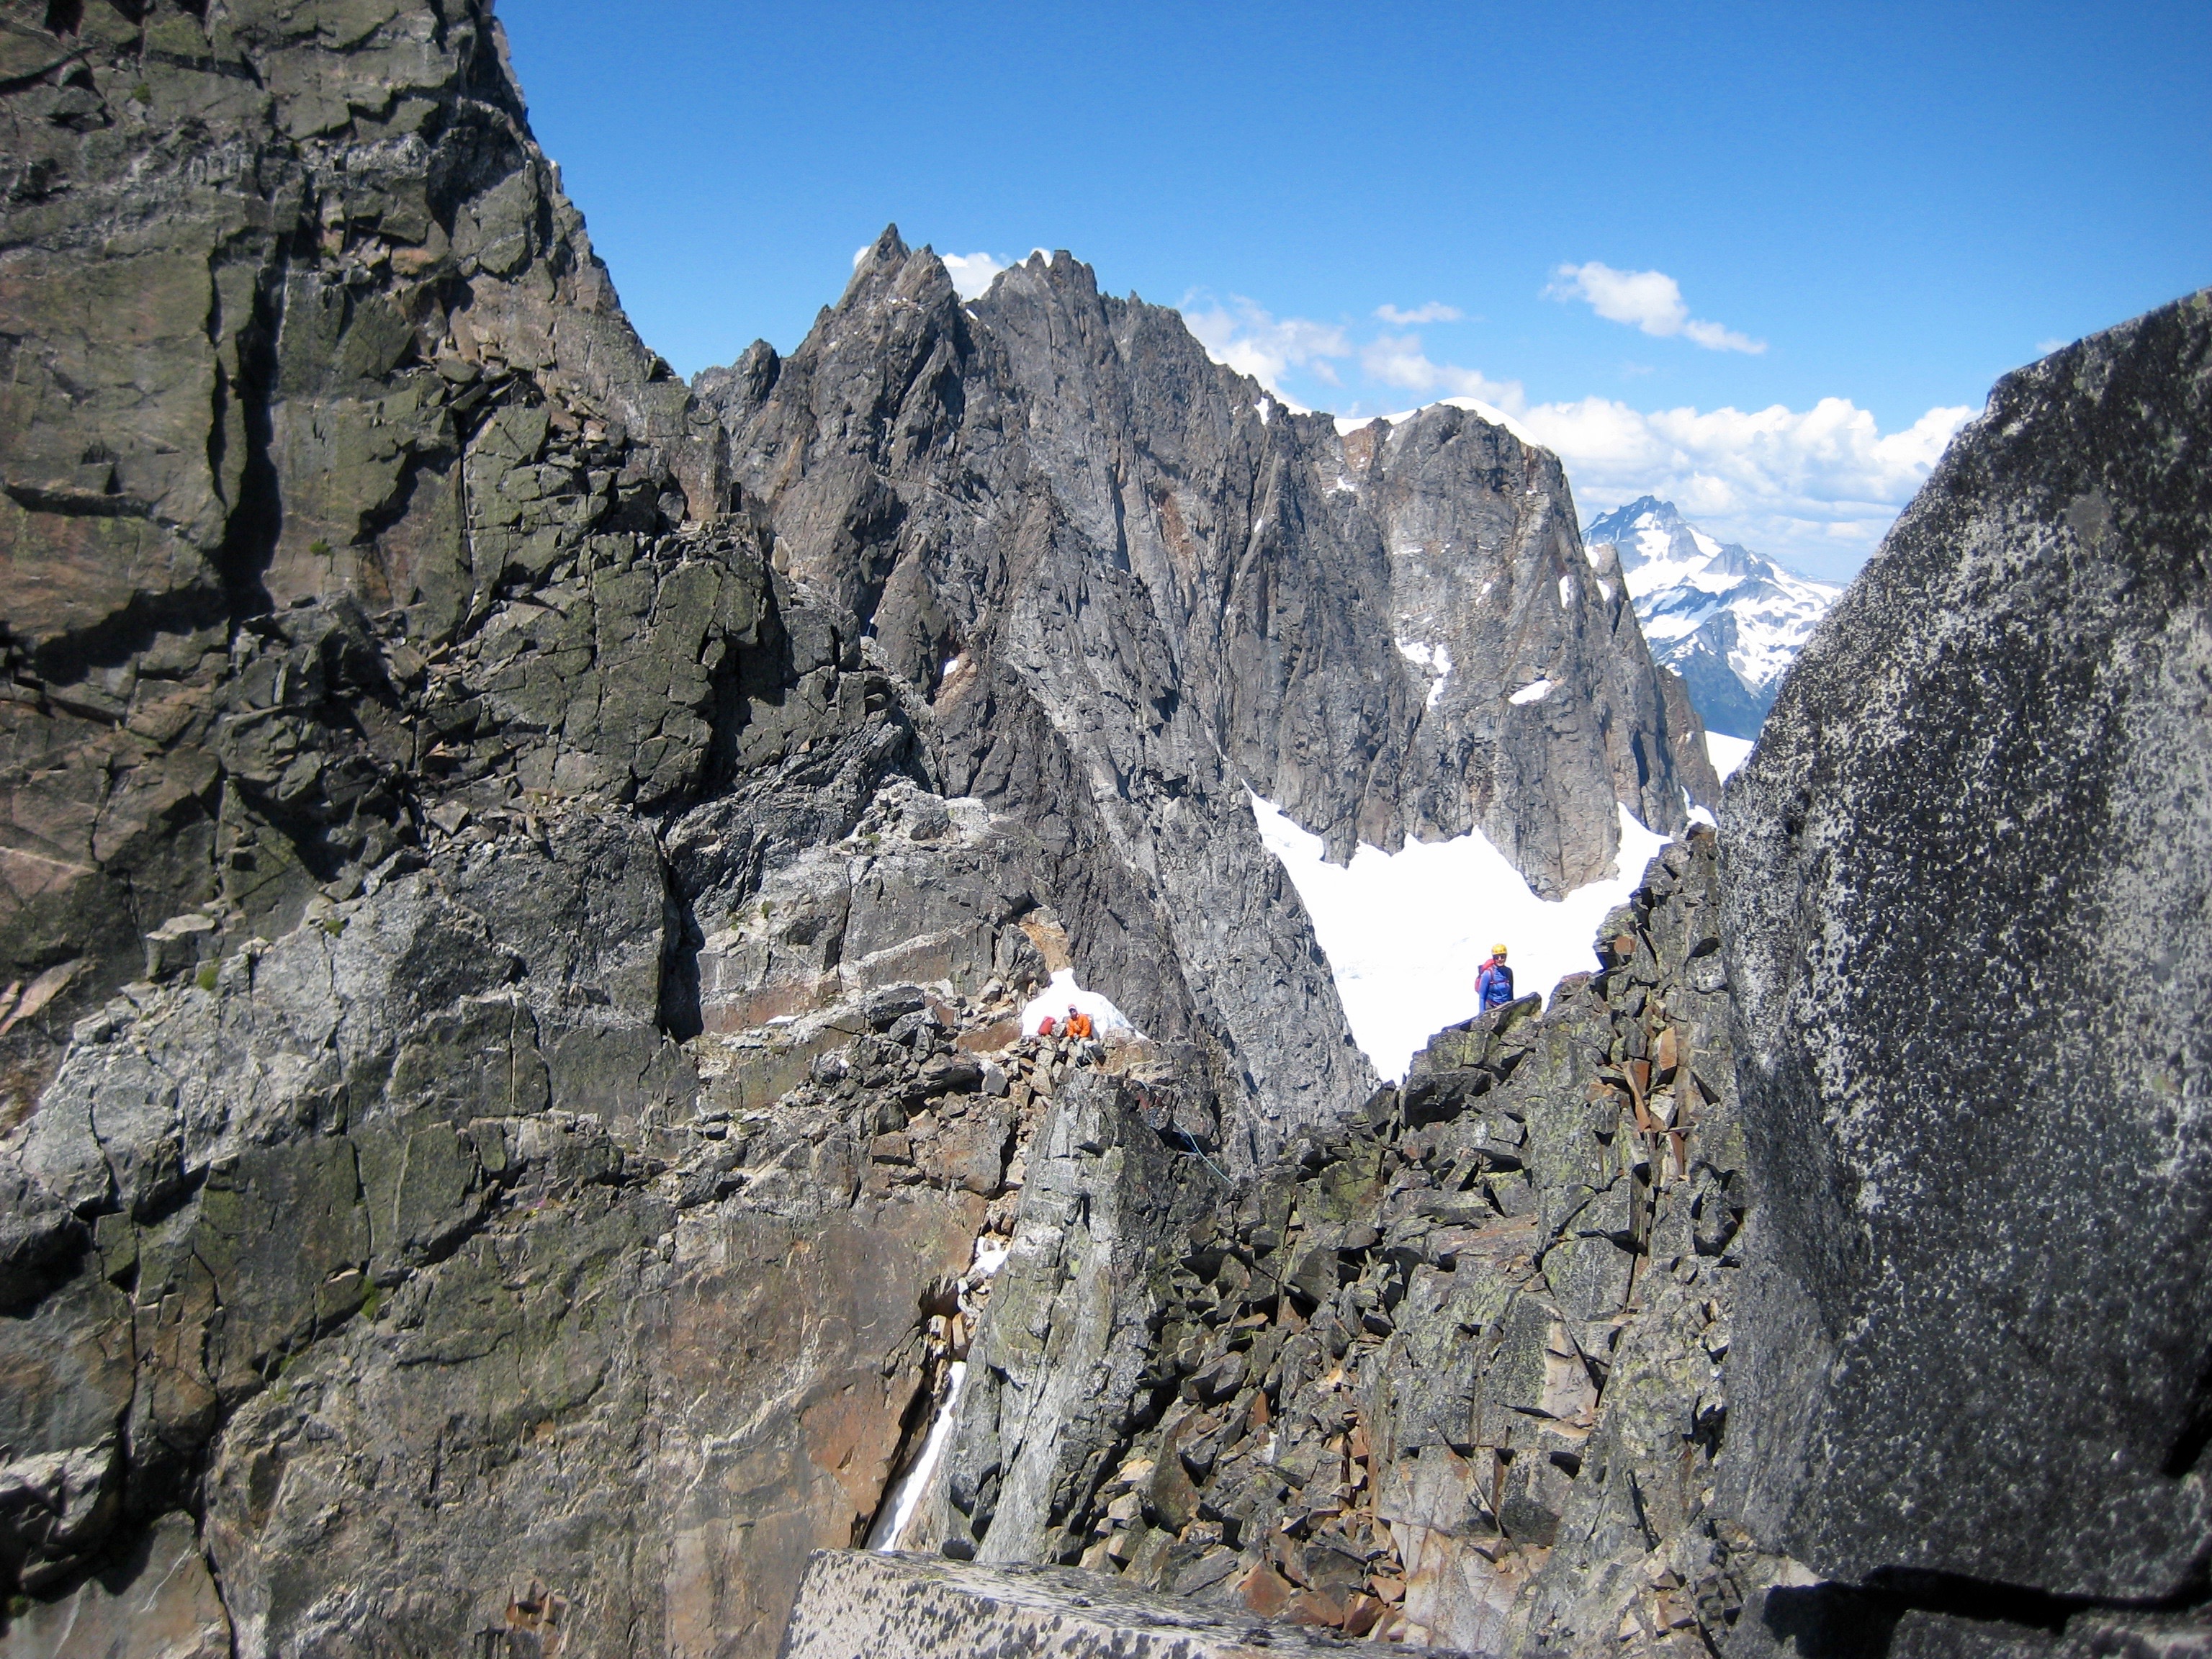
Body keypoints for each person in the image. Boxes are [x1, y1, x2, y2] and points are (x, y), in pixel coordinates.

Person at [1476, 943, 1514, 1012]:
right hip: (1492, 1007)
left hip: (1506, 1005)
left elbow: (1511, 992)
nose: (1500, 959)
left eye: (1502, 957)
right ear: (1494, 958)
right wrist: (1481, 1014)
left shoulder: (1508, 971)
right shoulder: (1488, 974)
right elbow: (1482, 997)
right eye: (1497, 957)